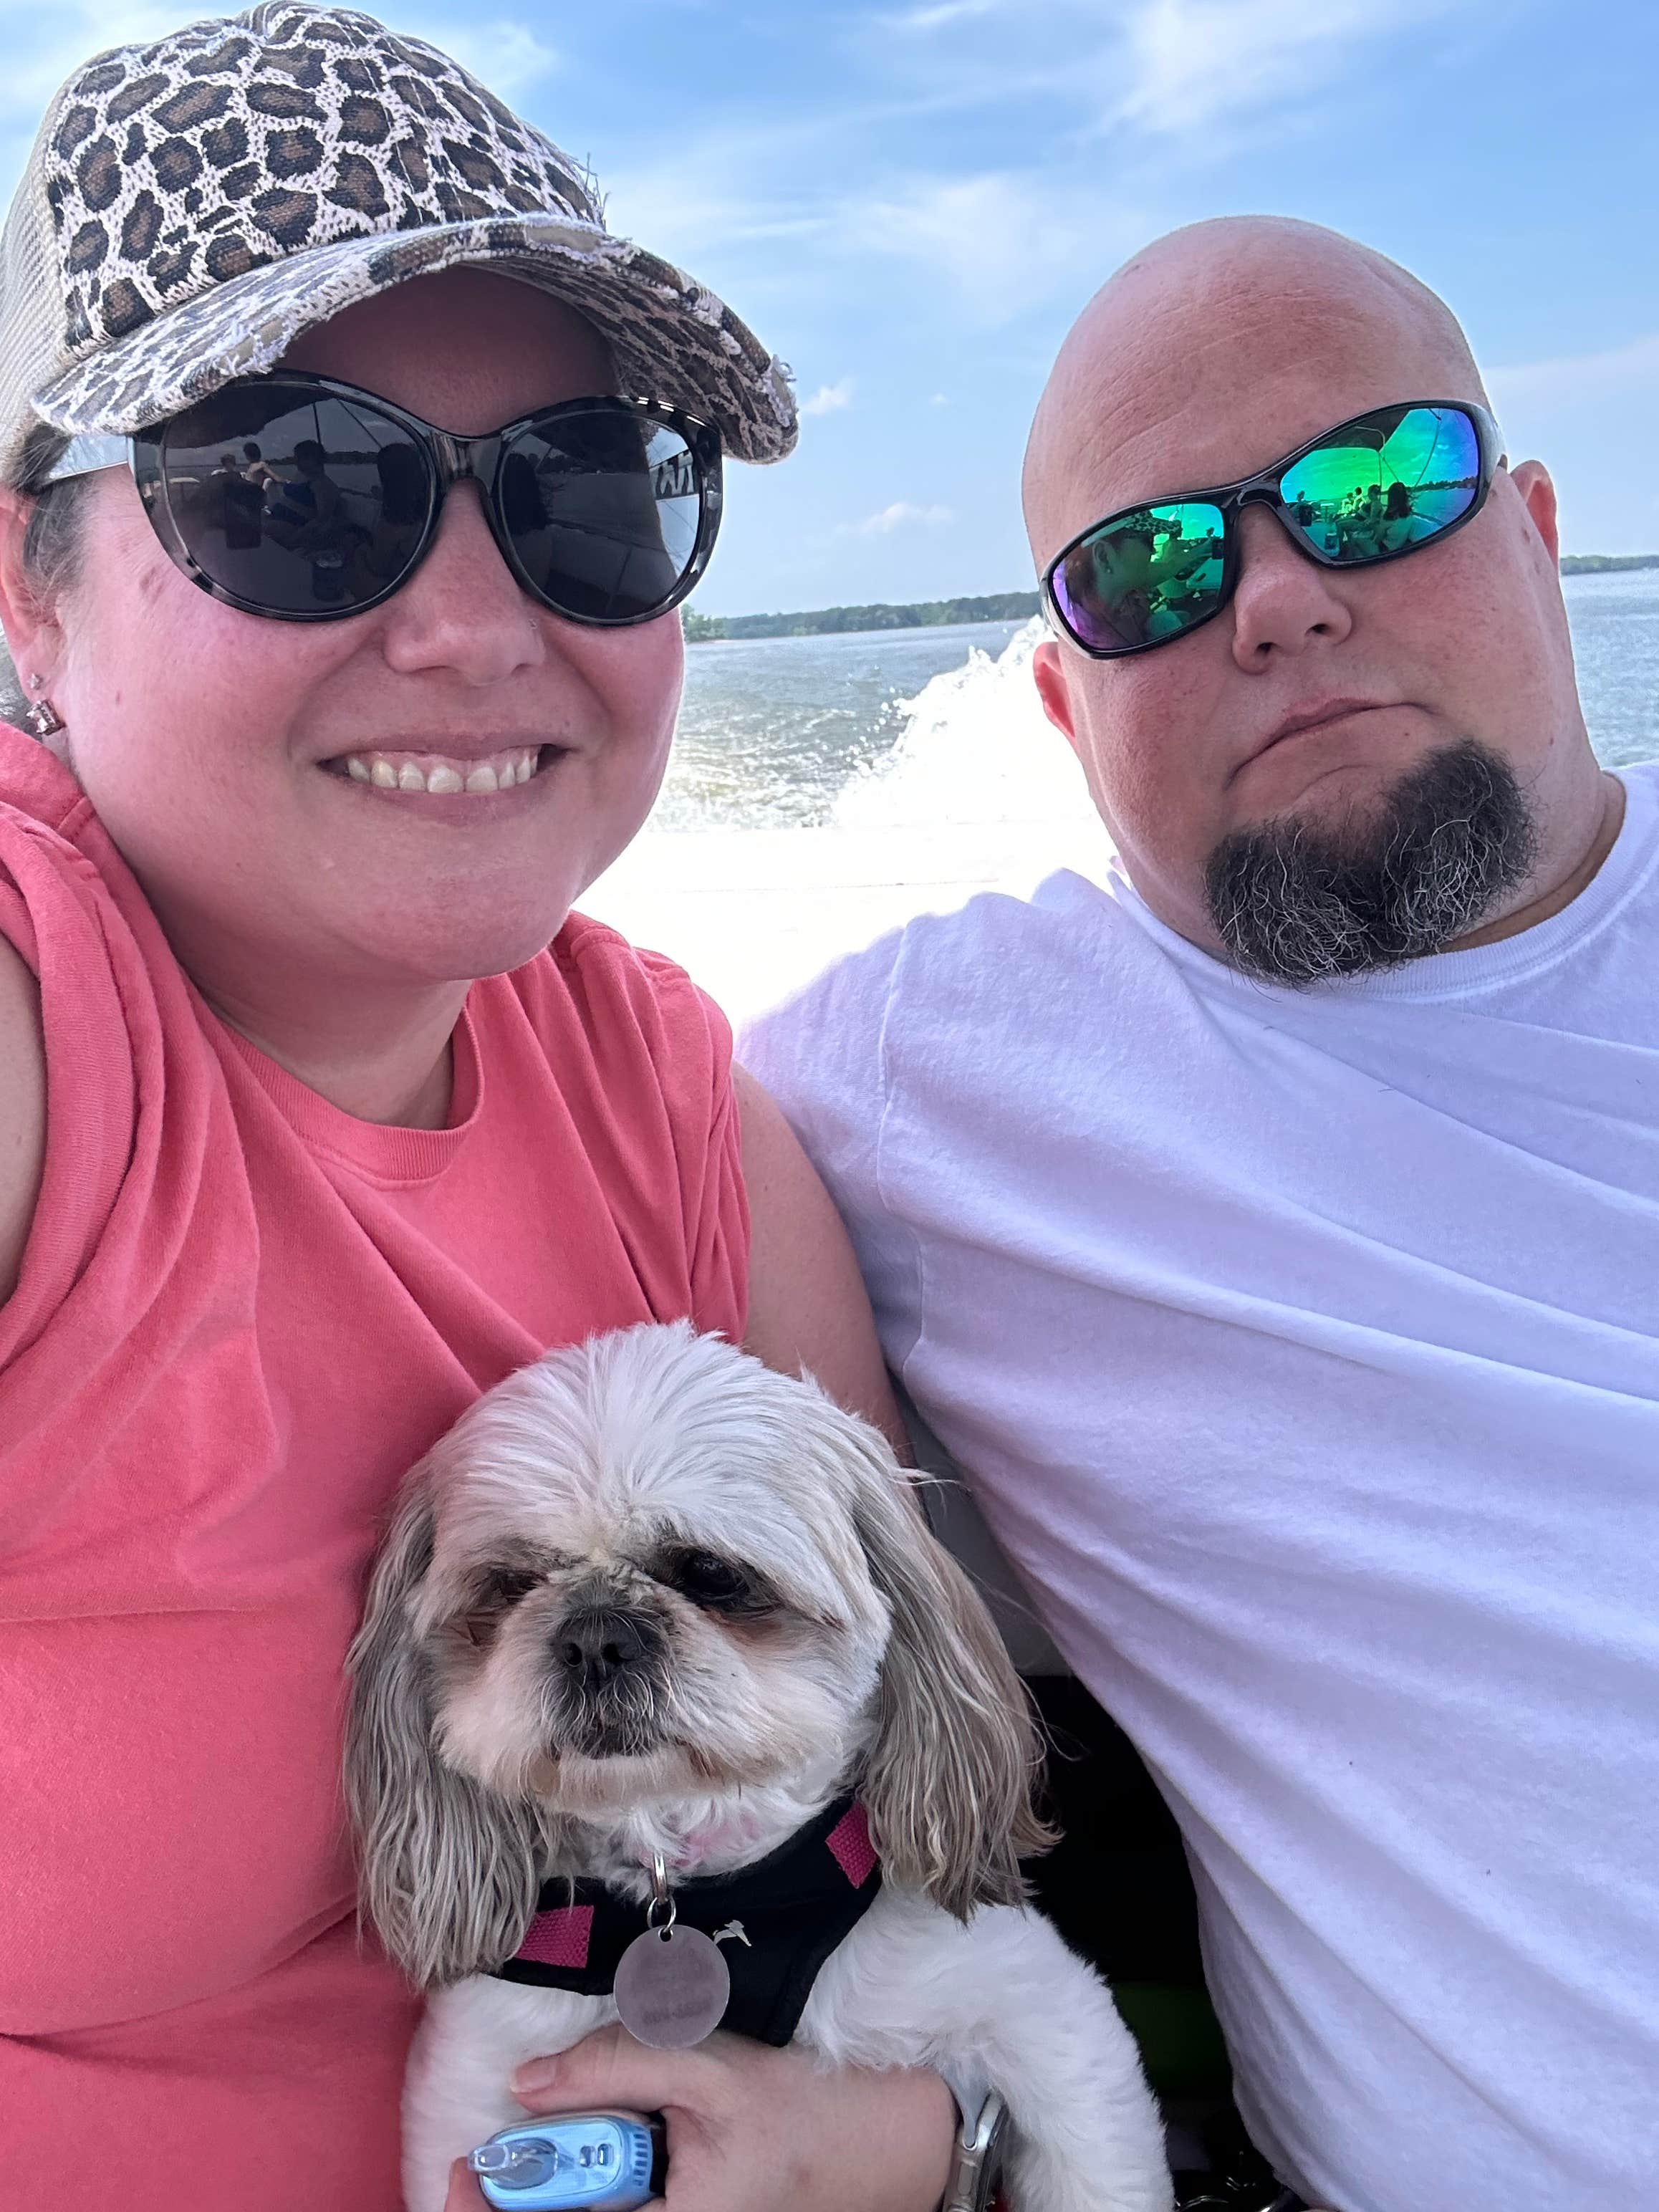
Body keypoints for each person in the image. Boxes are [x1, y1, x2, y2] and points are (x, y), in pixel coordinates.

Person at [0, 9, 958, 2210]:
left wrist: (915, 2139)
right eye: (288, 489)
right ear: (25, 596)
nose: (467, 623)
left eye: (584, 492)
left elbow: (900, 1767)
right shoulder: (41, 1029)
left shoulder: (665, 1091)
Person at [744, 216, 1659, 2211]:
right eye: (1148, 570)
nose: (1276, 597)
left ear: (1535, 532)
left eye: (1377, 486)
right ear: (1062, 712)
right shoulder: (926, 1074)